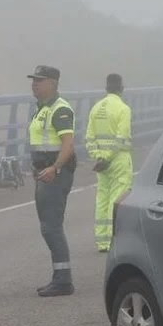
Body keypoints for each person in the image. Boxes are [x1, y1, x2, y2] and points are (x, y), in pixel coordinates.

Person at [28, 65, 77, 297]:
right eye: (33, 80)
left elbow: (68, 144)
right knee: (48, 226)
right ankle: (59, 277)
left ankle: (63, 280)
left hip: (55, 174)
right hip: (43, 172)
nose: (34, 84)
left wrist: (55, 168)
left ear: (53, 83)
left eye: (39, 80)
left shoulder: (60, 109)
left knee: (51, 227)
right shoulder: (41, 109)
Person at [85, 73, 134, 253]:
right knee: (117, 200)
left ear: (106, 88)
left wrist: (98, 156)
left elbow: (89, 138)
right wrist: (108, 157)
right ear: (121, 88)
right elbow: (122, 139)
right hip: (118, 161)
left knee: (102, 200)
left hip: (101, 164)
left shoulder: (95, 108)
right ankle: (114, 240)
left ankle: (102, 241)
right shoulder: (123, 109)